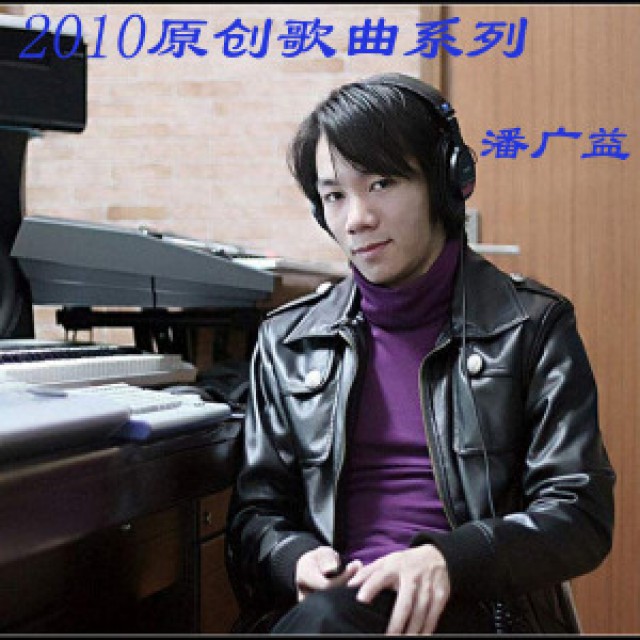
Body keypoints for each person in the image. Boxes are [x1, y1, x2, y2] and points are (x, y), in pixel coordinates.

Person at [224, 72, 615, 635]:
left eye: (381, 183)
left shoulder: (532, 326)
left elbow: (579, 515)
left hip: (477, 612)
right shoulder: (290, 342)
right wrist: (295, 559)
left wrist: (449, 559)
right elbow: (255, 516)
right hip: (331, 612)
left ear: (444, 181)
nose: (357, 218)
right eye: (335, 195)